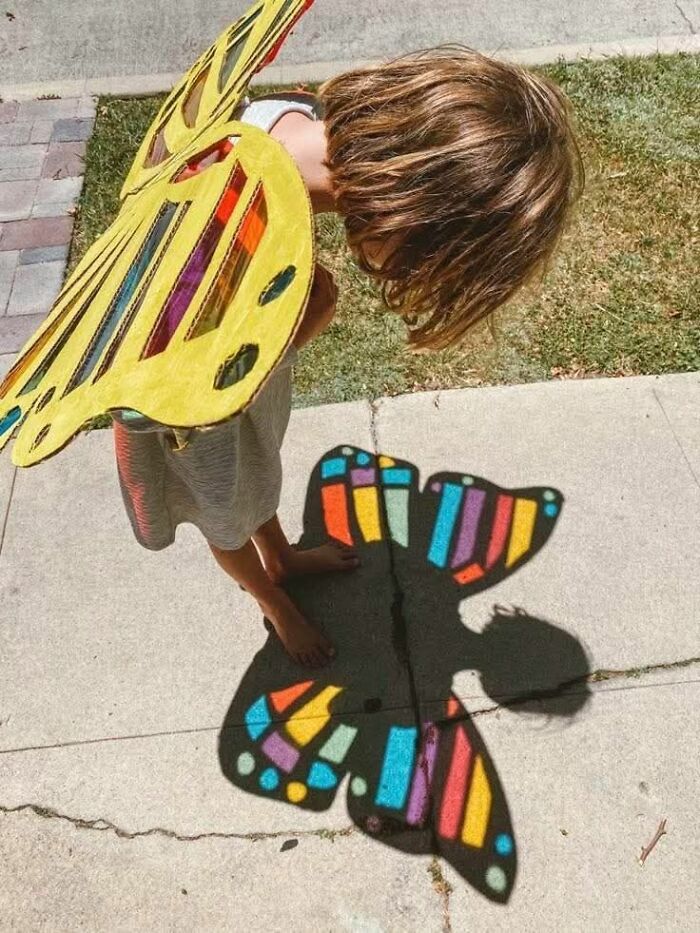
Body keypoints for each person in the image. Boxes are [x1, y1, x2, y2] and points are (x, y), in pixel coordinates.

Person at [113, 47, 584, 668]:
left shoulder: (285, 119)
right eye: (431, 263)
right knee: (223, 513)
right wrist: (296, 333)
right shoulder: (217, 228)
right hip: (191, 419)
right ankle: (272, 600)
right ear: (408, 214)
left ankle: (280, 555)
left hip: (241, 381)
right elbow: (187, 385)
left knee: (259, 470)